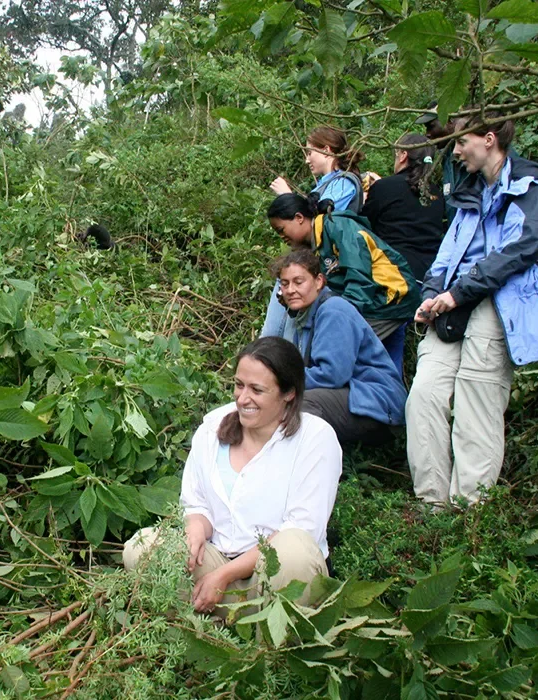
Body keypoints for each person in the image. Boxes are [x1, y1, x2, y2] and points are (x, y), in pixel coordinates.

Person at [405, 112, 538, 507]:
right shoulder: (469, 193)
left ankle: (469, 513)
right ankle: (432, 508)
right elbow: (447, 253)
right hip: (452, 306)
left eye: (462, 142)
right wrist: (431, 292)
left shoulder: (531, 187)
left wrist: (458, 293)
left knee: (476, 402)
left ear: (489, 139)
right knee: (423, 397)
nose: (456, 151)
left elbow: (521, 249)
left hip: (499, 302)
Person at [122, 337, 341, 616]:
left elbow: (302, 529)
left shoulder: (315, 439)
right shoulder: (213, 427)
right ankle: (207, 626)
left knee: (294, 550)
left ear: (289, 393)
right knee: (141, 550)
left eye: (257, 390)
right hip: (216, 559)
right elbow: (196, 503)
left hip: (272, 575)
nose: (242, 398)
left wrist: (224, 575)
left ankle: (266, 636)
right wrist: (196, 530)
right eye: (239, 385)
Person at [261, 249, 406, 445]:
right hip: (352, 398)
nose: (290, 290)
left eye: (298, 282)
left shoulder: (333, 310)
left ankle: (302, 470)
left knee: (301, 404)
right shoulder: (304, 315)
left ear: (319, 281)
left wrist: (278, 381)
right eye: (285, 284)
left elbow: (331, 375)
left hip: (376, 402)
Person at [263, 192, 421, 344]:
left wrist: (338, 319)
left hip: (389, 297)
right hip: (371, 301)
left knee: (337, 345)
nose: (281, 237)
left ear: (299, 218)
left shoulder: (338, 227)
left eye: (281, 230)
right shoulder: (312, 247)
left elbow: (359, 278)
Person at [361, 133, 445, 283]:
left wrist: (366, 197)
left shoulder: (384, 187)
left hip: (393, 273)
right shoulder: (437, 194)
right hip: (430, 275)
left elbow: (364, 226)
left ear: (403, 155)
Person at [270, 125, 365, 213]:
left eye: (310, 153)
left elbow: (317, 219)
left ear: (326, 151)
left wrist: (287, 196)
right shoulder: (327, 184)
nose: (307, 161)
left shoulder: (343, 182)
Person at [415, 105, 468, 224]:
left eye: (431, 127)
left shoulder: (473, 154)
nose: (427, 134)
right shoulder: (446, 157)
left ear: (450, 121)